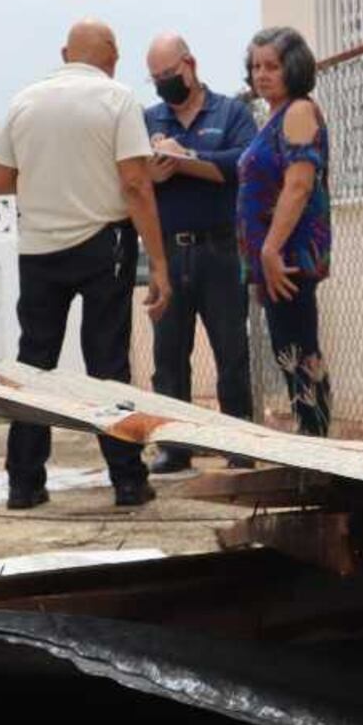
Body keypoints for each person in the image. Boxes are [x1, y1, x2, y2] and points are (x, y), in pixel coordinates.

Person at [0, 20, 171, 508]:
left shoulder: (25, 101)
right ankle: (128, 481)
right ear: (110, 55)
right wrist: (159, 263)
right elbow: (135, 184)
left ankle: (24, 484)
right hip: (102, 243)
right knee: (107, 364)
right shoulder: (116, 99)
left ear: (65, 52)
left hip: (39, 248)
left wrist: (49, 177)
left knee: (36, 365)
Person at [141, 31, 259, 473]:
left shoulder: (230, 111)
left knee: (231, 350)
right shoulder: (149, 118)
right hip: (170, 251)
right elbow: (133, 174)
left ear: (189, 64)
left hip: (221, 248)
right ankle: (176, 445)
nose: (162, 84)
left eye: (168, 75)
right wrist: (156, 168)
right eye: (155, 78)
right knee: (169, 353)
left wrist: (187, 157)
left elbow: (242, 162)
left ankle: (239, 443)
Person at [236, 27, 333, 436]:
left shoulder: (297, 111)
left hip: (289, 255)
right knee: (288, 350)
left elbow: (298, 184)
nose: (262, 75)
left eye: (272, 66)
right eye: (256, 66)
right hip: (273, 255)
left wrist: (271, 250)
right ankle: (310, 436)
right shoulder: (273, 115)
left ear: (292, 67)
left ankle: (315, 441)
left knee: (297, 349)